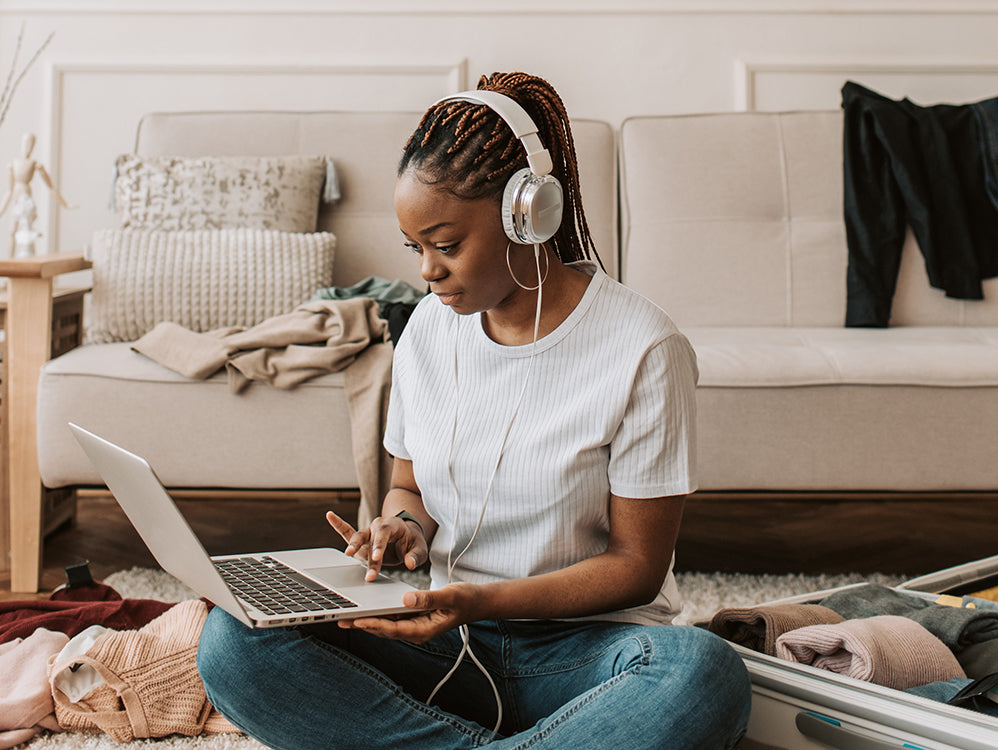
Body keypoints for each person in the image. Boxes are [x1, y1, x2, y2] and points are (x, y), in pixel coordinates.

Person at [197, 72, 752, 750]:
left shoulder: (643, 347)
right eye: (415, 248)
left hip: (584, 656)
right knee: (233, 638)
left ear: (529, 213)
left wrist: (479, 600)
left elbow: (636, 563)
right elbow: (410, 487)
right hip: (446, 644)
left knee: (700, 676)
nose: (427, 271)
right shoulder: (428, 329)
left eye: (446, 244)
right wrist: (401, 529)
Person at [0, 132, 74, 257]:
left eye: (30, 144)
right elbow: (9, 191)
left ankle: (27, 261)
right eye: (25, 142)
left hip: (26, 199)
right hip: (17, 198)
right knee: (12, 230)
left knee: (29, 232)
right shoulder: (14, 164)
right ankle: (8, 262)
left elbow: (51, 186)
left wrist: (65, 204)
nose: (27, 147)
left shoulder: (35, 165)